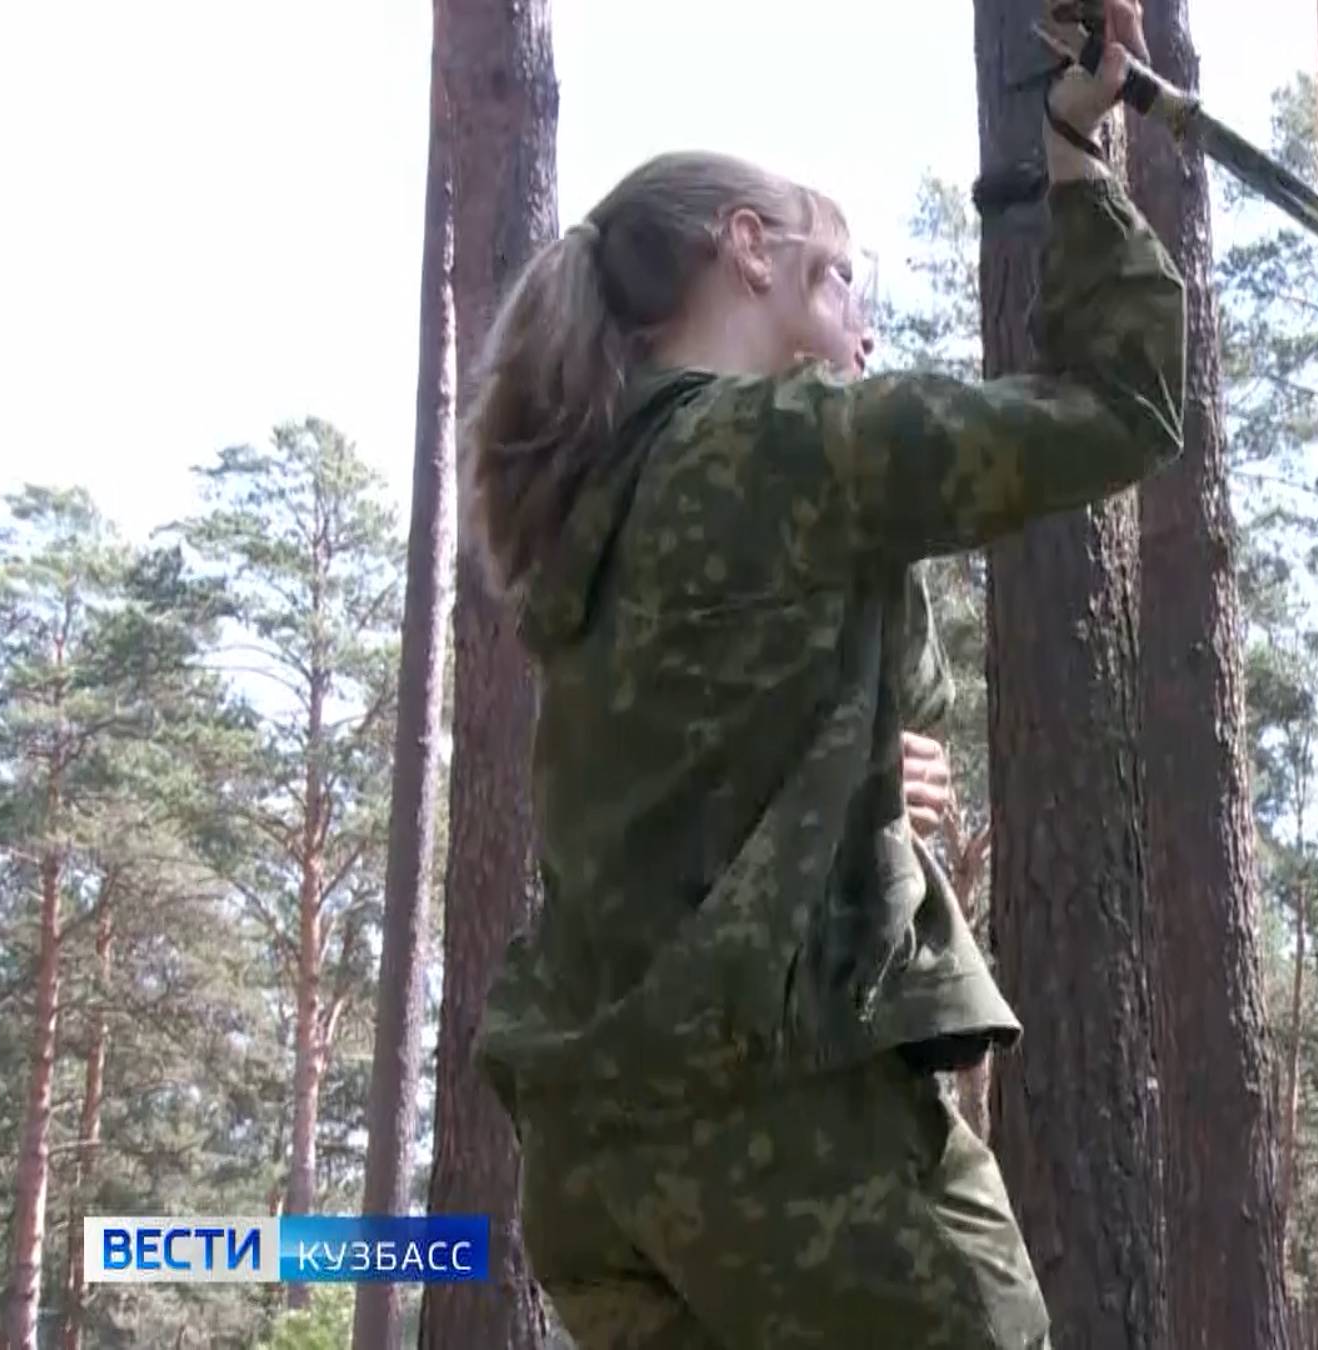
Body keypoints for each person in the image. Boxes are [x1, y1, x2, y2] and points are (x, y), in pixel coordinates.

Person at [461, 2, 1184, 1344]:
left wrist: (880, 767)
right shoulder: (789, 450)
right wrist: (1077, 154)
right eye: (842, 275)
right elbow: (1123, 401)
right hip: (782, 1136)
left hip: (599, 1177)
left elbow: (767, 754)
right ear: (751, 251)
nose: (861, 318)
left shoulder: (591, 514)